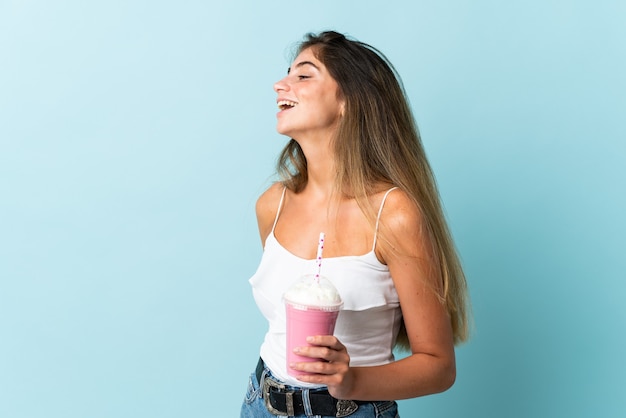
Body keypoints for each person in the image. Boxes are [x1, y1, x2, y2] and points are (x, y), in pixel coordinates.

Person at [241, 30, 470, 418]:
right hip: (260, 403)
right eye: (287, 74)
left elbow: (438, 366)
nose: (281, 85)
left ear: (348, 100)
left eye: (304, 75)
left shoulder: (395, 215)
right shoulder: (272, 205)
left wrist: (350, 381)